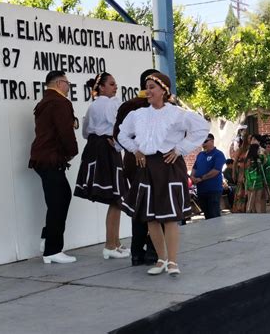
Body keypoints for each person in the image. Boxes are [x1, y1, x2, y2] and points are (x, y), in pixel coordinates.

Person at [118, 72, 209, 276]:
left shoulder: (177, 114)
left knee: (169, 217)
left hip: (168, 166)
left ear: (163, 91)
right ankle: (161, 259)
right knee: (151, 217)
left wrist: (179, 149)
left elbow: (202, 128)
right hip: (146, 166)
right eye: (146, 87)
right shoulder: (138, 114)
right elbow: (122, 134)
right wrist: (136, 150)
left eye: (152, 87)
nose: (148, 90)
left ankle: (173, 261)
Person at [74, 72, 129, 260]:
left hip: (95, 149)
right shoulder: (110, 103)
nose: (115, 87)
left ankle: (114, 242)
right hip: (107, 149)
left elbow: (85, 132)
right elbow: (119, 127)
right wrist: (121, 145)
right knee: (116, 198)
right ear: (102, 87)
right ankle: (110, 245)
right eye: (112, 84)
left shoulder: (93, 106)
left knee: (117, 198)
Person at [29, 70, 79, 264]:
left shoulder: (44, 102)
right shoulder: (60, 102)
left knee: (59, 198)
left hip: (42, 158)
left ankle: (47, 239)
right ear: (59, 83)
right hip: (50, 158)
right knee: (58, 201)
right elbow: (64, 131)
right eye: (67, 83)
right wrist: (72, 151)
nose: (69, 87)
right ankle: (53, 249)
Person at [113, 68, 159, 266]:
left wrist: (133, 151)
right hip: (155, 165)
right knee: (157, 208)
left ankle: (136, 252)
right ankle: (153, 249)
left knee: (139, 206)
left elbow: (117, 135)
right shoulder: (157, 106)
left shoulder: (127, 105)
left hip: (132, 164)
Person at [191, 133, 226, 219]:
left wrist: (201, 178)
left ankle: (217, 231)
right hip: (201, 190)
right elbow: (195, 168)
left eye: (205, 141)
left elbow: (216, 171)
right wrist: (192, 177)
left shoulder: (218, 154)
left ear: (212, 141)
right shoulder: (200, 155)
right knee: (207, 215)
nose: (203, 143)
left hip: (213, 190)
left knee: (214, 214)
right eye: (202, 141)